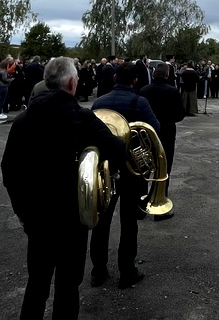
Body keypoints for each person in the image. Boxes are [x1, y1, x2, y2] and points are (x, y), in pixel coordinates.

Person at [2, 57, 126, 319]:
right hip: (72, 220)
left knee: (36, 284)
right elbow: (117, 149)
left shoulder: (24, 119)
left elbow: (9, 170)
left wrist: (22, 211)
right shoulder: (81, 118)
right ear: (71, 83)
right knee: (68, 286)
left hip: (36, 218)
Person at [89, 62, 160, 289]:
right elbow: (155, 129)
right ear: (135, 80)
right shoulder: (140, 102)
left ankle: (98, 272)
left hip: (104, 171)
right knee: (129, 223)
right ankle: (126, 272)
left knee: (101, 222)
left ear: (114, 77)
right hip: (132, 172)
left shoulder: (100, 102)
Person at [139, 63, 185, 172]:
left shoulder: (144, 90)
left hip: (147, 131)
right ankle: (163, 188)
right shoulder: (172, 91)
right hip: (167, 130)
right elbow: (180, 115)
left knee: (145, 165)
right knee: (165, 165)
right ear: (167, 74)